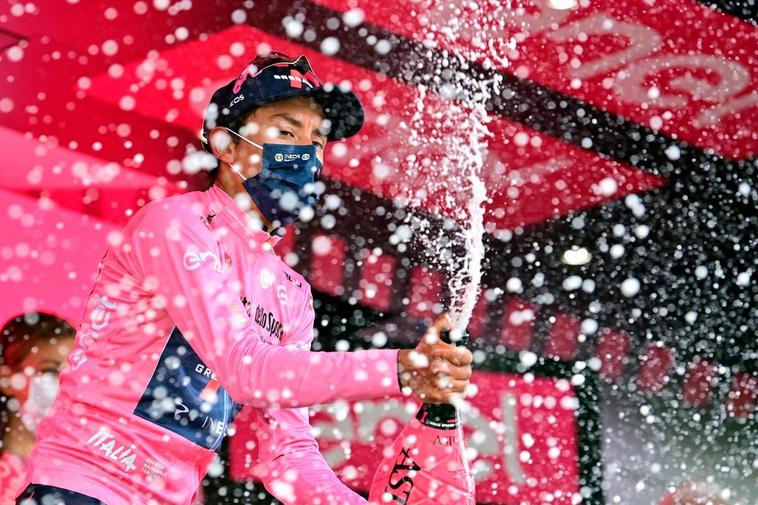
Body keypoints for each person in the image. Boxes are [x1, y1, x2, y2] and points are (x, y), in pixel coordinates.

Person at [17, 52, 473, 505]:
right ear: (225, 144)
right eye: (284, 131)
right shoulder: (175, 224)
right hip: (81, 485)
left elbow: (287, 455)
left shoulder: (292, 294)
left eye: (316, 141)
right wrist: (400, 369)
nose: (305, 154)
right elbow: (245, 369)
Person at [0, 313, 74, 504]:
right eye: (50, 370)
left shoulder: (78, 469)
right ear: (6, 379)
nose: (65, 382)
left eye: (72, 371)